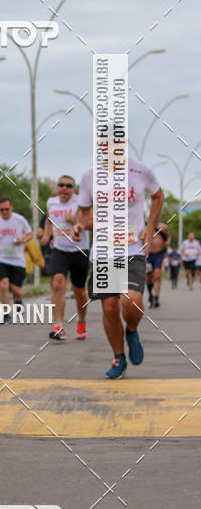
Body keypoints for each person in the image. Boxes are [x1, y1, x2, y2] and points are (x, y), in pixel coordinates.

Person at [75, 156, 164, 379]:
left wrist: (151, 224)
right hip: (104, 253)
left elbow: (158, 195)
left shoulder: (141, 170)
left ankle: (131, 332)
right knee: (110, 308)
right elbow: (83, 210)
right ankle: (118, 357)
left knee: (131, 300)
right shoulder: (90, 175)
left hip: (132, 249)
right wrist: (79, 224)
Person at [42, 175, 89, 341]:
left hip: (79, 250)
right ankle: (58, 326)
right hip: (59, 249)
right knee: (58, 282)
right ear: (57, 187)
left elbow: (92, 223)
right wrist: (47, 235)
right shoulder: (51, 202)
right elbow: (49, 220)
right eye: (61, 185)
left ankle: (81, 321)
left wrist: (75, 219)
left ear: (73, 189)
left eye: (68, 186)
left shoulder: (81, 203)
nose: (64, 188)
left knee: (79, 290)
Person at [0, 198, 33, 323]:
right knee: (3, 285)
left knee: (16, 290)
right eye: (2, 210)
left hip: (17, 259)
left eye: (7, 209)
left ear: (11, 207)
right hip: (1, 259)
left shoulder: (20, 219)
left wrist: (22, 239)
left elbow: (30, 234)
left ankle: (18, 301)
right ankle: (6, 313)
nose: (5, 212)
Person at [146, 222, 170, 307]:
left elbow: (168, 237)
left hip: (159, 255)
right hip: (148, 255)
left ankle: (156, 297)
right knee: (149, 277)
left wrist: (167, 242)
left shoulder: (163, 227)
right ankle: (150, 294)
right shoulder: (146, 227)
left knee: (157, 276)